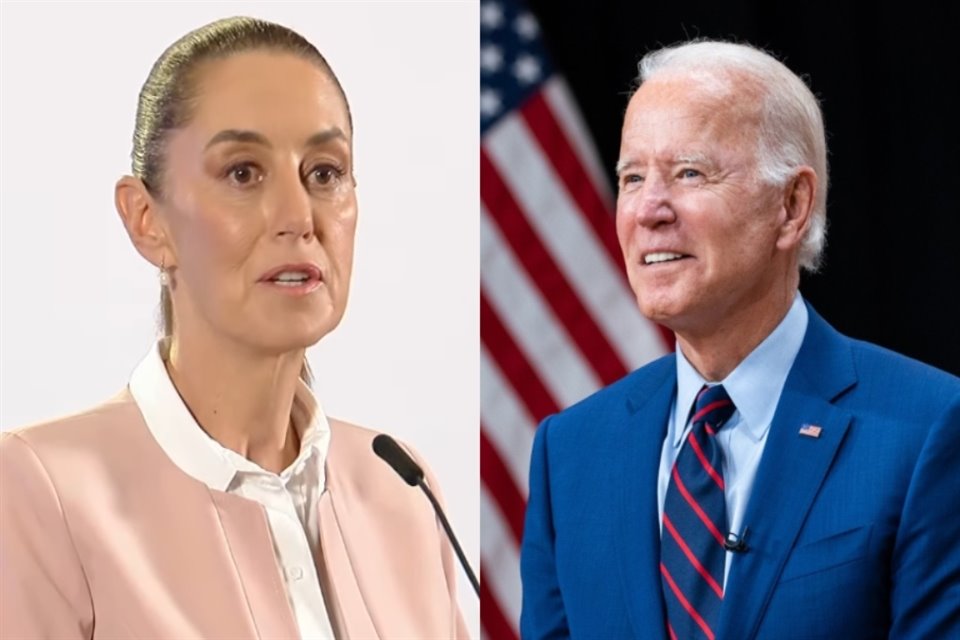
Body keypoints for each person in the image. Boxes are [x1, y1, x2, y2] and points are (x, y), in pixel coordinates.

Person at [0, 17, 468, 639]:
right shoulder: (37, 490)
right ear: (146, 220)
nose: (299, 216)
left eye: (324, 173)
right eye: (243, 172)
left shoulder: (399, 484)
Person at [520, 39, 960, 639]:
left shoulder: (926, 429)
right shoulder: (570, 452)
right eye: (631, 177)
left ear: (791, 205)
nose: (648, 209)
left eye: (690, 173)